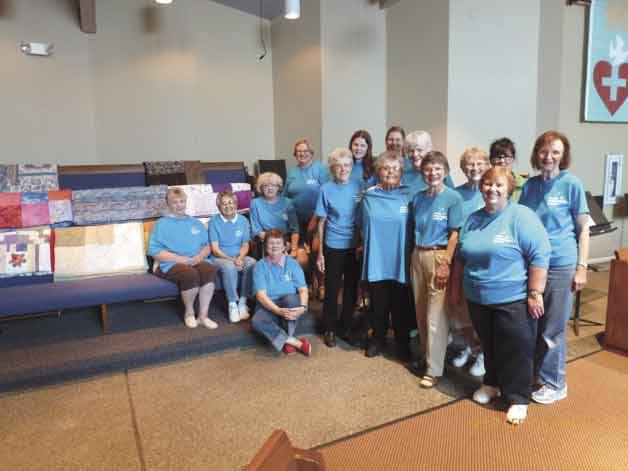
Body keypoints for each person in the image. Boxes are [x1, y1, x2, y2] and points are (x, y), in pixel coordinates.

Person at [451, 166, 551, 425]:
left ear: (509, 189)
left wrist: (534, 292)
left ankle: (518, 398)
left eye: (498, 185)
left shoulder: (521, 216)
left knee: (516, 348)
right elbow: (461, 255)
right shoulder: (473, 219)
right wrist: (457, 290)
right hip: (479, 297)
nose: (492, 189)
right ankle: (492, 383)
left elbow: (540, 254)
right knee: (490, 345)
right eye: (487, 184)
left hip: (513, 299)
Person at [520, 130, 590, 405]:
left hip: (561, 263)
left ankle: (555, 383)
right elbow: (523, 223)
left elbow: (584, 228)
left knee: (553, 327)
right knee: (533, 324)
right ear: (537, 154)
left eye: (555, 153)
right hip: (533, 264)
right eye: (544, 152)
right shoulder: (529, 186)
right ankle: (538, 375)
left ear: (563, 156)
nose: (548, 157)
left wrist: (582, 266)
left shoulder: (571, 184)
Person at [410, 151, 463, 388]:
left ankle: (434, 369)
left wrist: (446, 263)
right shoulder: (418, 198)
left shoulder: (453, 198)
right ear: (422, 173)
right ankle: (427, 356)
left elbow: (455, 233)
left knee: (435, 317)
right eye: (428, 169)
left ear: (446, 172)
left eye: (438, 169)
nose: (433, 173)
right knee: (421, 313)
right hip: (418, 255)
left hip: (439, 255)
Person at [358, 151, 413, 359]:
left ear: (401, 172)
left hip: (400, 259)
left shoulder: (408, 195)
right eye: (385, 168)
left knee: (401, 305)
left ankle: (402, 343)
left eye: (395, 168)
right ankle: (378, 339)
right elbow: (359, 224)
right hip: (376, 259)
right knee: (378, 304)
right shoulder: (368, 195)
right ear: (378, 171)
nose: (390, 172)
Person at [148, 188, 218, 329]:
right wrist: (182, 260)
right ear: (168, 204)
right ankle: (189, 313)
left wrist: (199, 257)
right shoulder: (162, 224)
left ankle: (203, 316)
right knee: (189, 274)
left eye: (182, 201)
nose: (179, 205)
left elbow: (207, 246)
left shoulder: (195, 222)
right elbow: (155, 251)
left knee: (209, 270)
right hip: (170, 263)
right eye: (175, 202)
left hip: (196, 260)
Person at [449, 147, 491, 376]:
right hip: (460, 260)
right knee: (461, 312)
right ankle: (468, 348)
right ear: (463, 169)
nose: (474, 169)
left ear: (486, 165)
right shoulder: (456, 194)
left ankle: (484, 354)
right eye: (469, 165)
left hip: (483, 262)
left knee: (481, 312)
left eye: (478, 164)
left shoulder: (489, 192)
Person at [316, 148, 363, 347]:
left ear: (351, 167)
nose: (342, 169)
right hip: (333, 245)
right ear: (332, 168)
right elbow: (321, 222)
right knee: (332, 289)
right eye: (338, 166)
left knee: (352, 290)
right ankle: (330, 329)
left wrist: (362, 244)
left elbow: (363, 219)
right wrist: (319, 254)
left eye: (346, 165)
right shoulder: (325, 189)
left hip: (353, 247)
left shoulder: (359, 186)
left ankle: (346, 328)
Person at [251, 229, 312, 356]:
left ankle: (285, 339)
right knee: (257, 320)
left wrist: (303, 307)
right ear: (265, 246)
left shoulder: (293, 264)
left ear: (285, 246)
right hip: (269, 306)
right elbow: (261, 296)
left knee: (292, 300)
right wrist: (277, 311)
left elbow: (303, 289)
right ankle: (294, 342)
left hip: (288, 306)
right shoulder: (259, 266)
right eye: (270, 243)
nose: (274, 246)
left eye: (278, 243)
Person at [284, 138, 330, 298]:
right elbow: (285, 196)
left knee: (318, 251)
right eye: (299, 152)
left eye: (305, 151)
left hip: (318, 220)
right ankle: (308, 284)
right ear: (295, 154)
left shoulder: (320, 170)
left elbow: (327, 193)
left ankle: (323, 285)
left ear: (311, 153)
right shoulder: (292, 172)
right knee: (302, 257)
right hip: (296, 222)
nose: (302, 154)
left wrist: (317, 219)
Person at [208, 190, 256, 323]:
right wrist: (233, 260)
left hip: (238, 256)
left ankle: (243, 301)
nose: (228, 206)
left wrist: (240, 258)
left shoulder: (243, 220)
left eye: (231, 202)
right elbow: (215, 249)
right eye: (224, 204)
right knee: (229, 266)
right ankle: (232, 304)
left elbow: (245, 244)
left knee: (251, 262)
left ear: (236, 204)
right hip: (219, 258)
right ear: (219, 207)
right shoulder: (214, 221)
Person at [249, 172, 306, 266]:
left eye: (273, 185)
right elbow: (257, 230)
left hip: (288, 239)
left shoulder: (288, 203)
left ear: (278, 187)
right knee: (280, 261)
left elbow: (295, 229)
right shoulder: (255, 203)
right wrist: (280, 244)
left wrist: (294, 248)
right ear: (261, 188)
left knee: (302, 260)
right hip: (268, 241)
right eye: (266, 185)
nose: (270, 188)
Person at [489, 137, 527, 202]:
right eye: (498, 157)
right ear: (491, 160)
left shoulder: (524, 184)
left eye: (506, 156)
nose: (502, 161)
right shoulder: (485, 184)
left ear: (513, 159)